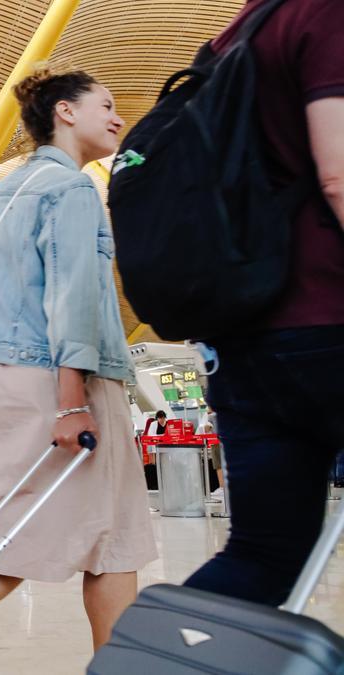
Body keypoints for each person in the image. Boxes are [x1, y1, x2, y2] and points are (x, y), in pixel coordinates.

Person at [0, 68, 157, 651]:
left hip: (5, 378)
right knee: (77, 537)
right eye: (105, 104)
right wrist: (71, 405)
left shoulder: (6, 191)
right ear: (66, 113)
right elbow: (70, 300)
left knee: (85, 538)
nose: (118, 117)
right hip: (63, 384)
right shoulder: (72, 190)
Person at [182, 0, 344, 607]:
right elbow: (337, 175)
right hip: (327, 317)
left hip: (245, 334)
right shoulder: (324, 14)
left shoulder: (232, 38)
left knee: (261, 552)